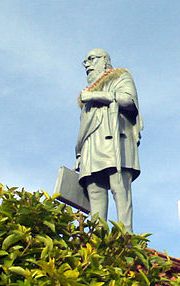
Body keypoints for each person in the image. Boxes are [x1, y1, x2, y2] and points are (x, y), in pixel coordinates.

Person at [75, 48, 143, 233]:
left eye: (91, 59)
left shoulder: (120, 77)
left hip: (115, 140)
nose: (87, 64)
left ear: (104, 60)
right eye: (85, 61)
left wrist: (96, 95)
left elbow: (128, 100)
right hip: (91, 144)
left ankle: (126, 237)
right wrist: (79, 153)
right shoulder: (86, 95)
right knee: (95, 192)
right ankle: (97, 241)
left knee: (119, 188)